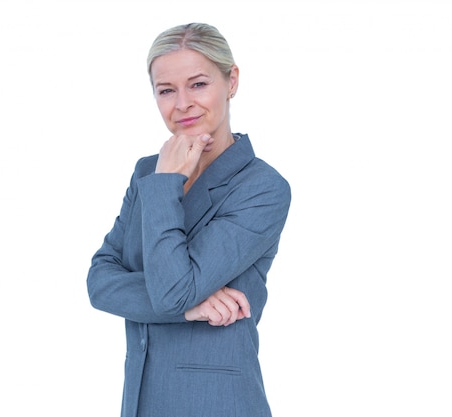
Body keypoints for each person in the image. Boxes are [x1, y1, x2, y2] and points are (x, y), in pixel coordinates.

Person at [86, 22, 291, 417]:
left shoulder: (262, 187)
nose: (182, 103)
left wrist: (167, 185)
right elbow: (99, 281)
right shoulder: (147, 172)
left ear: (231, 81)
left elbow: (173, 291)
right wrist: (188, 308)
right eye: (166, 90)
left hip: (215, 402)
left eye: (197, 84)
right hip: (142, 402)